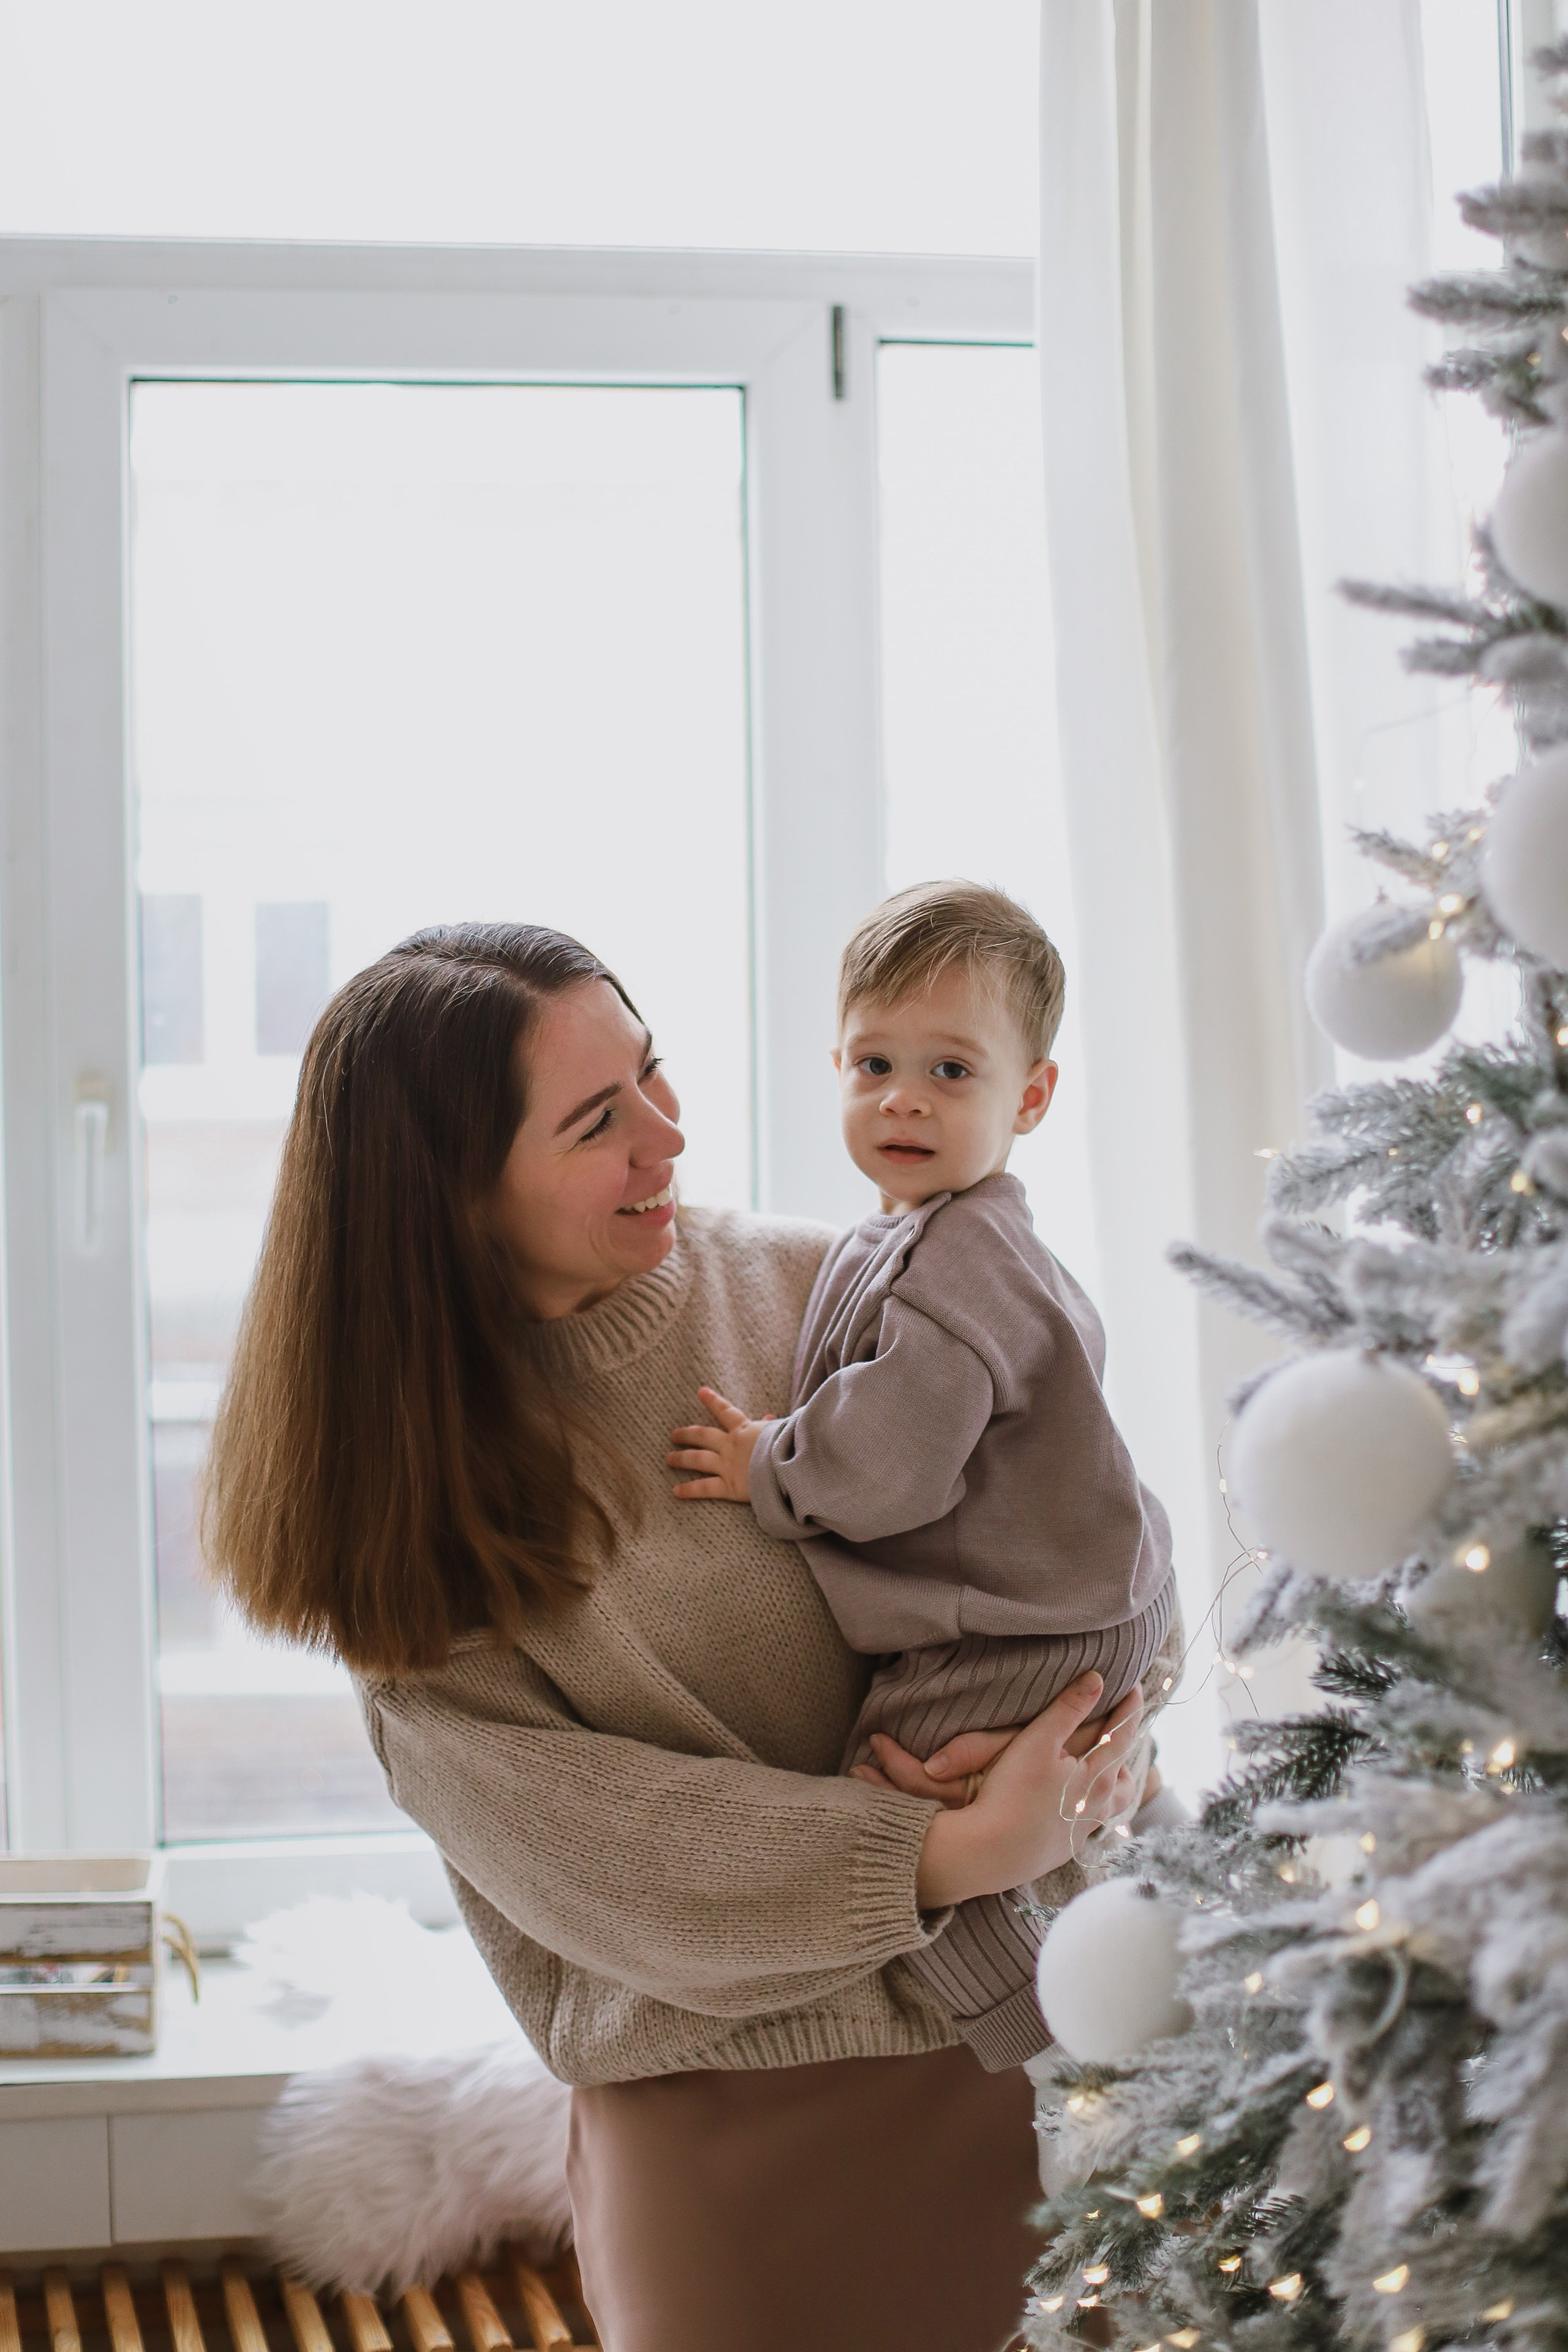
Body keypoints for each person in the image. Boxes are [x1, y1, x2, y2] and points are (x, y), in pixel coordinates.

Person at [202, 920, 1147, 2352]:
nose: (668, 1134)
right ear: (449, 1194)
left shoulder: (838, 1281)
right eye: (597, 1121)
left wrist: (1097, 1753)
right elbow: (600, 1854)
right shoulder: (403, 1509)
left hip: (1041, 2052)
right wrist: (944, 1850)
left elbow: (1090, 1538)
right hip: (739, 2143)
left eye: (654, 1075)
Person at [666, 883, 1182, 2076]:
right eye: (874, 1063)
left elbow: (889, 1460)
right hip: (1088, 1592)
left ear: (1031, 1096)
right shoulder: (931, 1234)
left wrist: (768, 1465)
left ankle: (1052, 2046)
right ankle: (1146, 1916)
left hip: (1035, 1626)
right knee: (1054, 1799)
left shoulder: (959, 1270)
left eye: (951, 1072)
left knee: (891, 1800)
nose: (902, 1097)